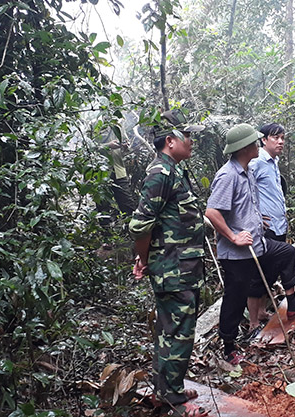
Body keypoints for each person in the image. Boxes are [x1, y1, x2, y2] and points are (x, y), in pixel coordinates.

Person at [205, 123, 295, 364]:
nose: (258, 144)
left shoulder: (248, 171)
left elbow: (244, 206)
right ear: (244, 148)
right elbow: (212, 212)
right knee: (235, 296)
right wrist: (233, 236)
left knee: (286, 252)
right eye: (255, 142)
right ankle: (229, 346)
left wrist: (256, 220)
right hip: (236, 254)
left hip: (258, 244)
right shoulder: (228, 175)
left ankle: (293, 303)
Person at [128, 110, 208, 417]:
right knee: (178, 331)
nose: (192, 141)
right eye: (188, 136)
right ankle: (171, 394)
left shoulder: (174, 171)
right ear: (170, 141)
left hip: (183, 267)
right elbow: (141, 225)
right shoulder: (160, 174)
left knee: (171, 330)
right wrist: (143, 258)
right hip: (174, 270)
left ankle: (167, 390)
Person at [247, 123, 288, 335]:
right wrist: (253, 216)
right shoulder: (256, 162)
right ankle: (253, 322)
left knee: (271, 271)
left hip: (278, 224)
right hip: (264, 228)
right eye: (275, 138)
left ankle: (262, 311)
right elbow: (244, 188)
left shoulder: (273, 162)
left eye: (282, 137)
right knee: (258, 273)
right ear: (264, 140)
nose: (280, 141)